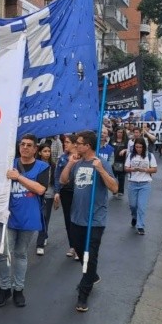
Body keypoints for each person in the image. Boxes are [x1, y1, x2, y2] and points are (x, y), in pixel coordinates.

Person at [59, 130, 118, 312]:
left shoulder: (102, 163)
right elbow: (63, 181)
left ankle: (83, 294)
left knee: (89, 256)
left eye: (79, 143)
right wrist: (69, 164)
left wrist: (100, 170)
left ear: (88, 146)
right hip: (77, 217)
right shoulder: (77, 162)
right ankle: (92, 274)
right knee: (79, 251)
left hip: (95, 219)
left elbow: (114, 188)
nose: (76, 146)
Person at [0, 133, 48, 308]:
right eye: (22, 144)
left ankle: (18, 289)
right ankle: (4, 288)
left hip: (28, 218)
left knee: (20, 254)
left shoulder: (42, 166)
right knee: (3, 254)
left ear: (35, 149)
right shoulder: (9, 165)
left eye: (29, 145)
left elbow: (40, 189)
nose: (24, 147)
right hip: (8, 217)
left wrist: (18, 177)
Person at [53, 133, 79, 260]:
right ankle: (73, 246)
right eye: (65, 142)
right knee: (68, 219)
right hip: (66, 192)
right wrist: (57, 191)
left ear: (75, 144)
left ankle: (80, 246)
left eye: (68, 142)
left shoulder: (81, 158)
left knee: (78, 219)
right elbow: (57, 176)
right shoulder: (62, 158)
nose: (65, 144)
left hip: (79, 192)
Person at [124, 137, 157, 235]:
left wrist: (145, 170)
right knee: (133, 205)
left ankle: (140, 225)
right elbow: (126, 168)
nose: (138, 149)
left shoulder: (149, 156)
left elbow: (154, 169)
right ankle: (134, 217)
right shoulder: (131, 156)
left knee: (141, 206)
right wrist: (132, 169)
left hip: (145, 183)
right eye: (137, 147)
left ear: (144, 147)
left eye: (140, 147)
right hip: (133, 183)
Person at [35, 142, 56, 256]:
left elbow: (55, 180)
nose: (47, 153)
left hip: (49, 194)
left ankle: (40, 243)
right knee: (38, 217)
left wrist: (57, 193)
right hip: (36, 194)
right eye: (45, 151)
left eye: (49, 151)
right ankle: (44, 235)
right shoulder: (36, 164)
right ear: (39, 152)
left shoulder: (53, 165)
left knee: (45, 218)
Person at [109, 127, 129, 198]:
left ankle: (120, 191)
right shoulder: (112, 139)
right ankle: (114, 190)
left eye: (121, 132)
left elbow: (130, 149)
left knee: (121, 177)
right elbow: (109, 147)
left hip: (122, 161)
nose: (119, 134)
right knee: (113, 177)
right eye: (118, 132)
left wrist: (125, 150)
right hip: (113, 161)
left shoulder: (126, 140)